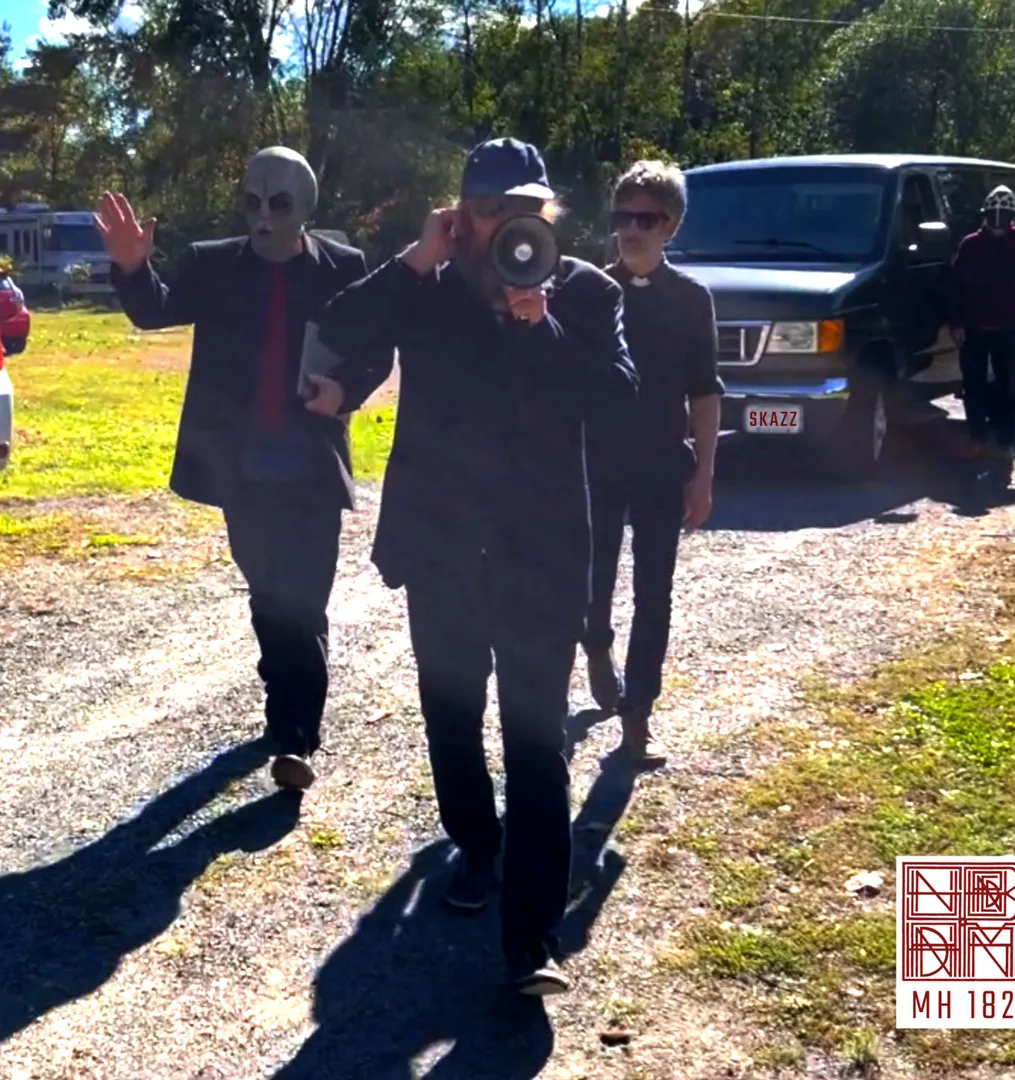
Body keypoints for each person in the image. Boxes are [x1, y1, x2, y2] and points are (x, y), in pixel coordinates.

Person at [303, 137, 638, 995]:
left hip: (542, 555)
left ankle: (532, 938)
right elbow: (340, 327)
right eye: (488, 210)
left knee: (536, 738)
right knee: (451, 716)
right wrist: (418, 257)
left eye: (523, 209)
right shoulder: (431, 289)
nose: (506, 226)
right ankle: (478, 847)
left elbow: (619, 397)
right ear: (462, 215)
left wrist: (543, 325)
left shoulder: (585, 292)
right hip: (443, 547)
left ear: (546, 213)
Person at [95, 146, 371, 793]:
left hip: (310, 466)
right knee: (269, 594)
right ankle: (284, 689)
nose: (263, 217)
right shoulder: (212, 264)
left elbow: (374, 350)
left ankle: (295, 735)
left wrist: (345, 392)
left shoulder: (344, 269)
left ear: (306, 207)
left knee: (305, 599)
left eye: (279, 204)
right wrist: (132, 266)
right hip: (243, 468)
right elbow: (155, 309)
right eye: (252, 202)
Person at [582, 160, 722, 765]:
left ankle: (638, 714)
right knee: (593, 581)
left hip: (663, 463)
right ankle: (596, 643)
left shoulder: (691, 300)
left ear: (670, 226)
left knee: (653, 593)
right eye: (623, 217)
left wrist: (704, 475)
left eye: (645, 219)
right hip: (595, 463)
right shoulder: (588, 290)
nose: (631, 230)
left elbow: (706, 392)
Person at [949, 184, 1015, 468]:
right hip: (973, 328)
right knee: (973, 386)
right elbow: (956, 287)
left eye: (1004, 213)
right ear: (985, 213)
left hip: (1007, 327)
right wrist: (957, 322)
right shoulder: (971, 245)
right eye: (994, 212)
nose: (998, 218)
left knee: (1006, 387)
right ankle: (976, 439)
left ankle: (1005, 443)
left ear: (1012, 215)